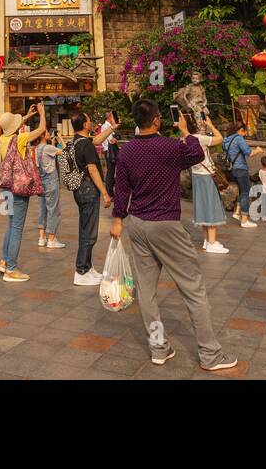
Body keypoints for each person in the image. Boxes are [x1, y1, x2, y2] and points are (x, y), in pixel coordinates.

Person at [109, 98, 237, 371]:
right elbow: (197, 154)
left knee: (146, 291)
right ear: (156, 120)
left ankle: (158, 347)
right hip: (165, 224)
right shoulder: (170, 147)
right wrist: (186, 131)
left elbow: (121, 189)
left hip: (138, 223)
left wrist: (118, 219)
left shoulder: (127, 151)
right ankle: (210, 354)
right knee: (193, 288)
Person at [0, 104, 45, 283]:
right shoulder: (21, 139)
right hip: (18, 190)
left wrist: (26, 116)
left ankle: (4, 260)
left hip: (5, 189)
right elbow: (42, 129)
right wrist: (41, 113)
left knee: (10, 225)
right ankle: (11, 269)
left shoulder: (2, 138)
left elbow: (12, 128)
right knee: (17, 228)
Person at [70, 109, 116, 286]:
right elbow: (93, 169)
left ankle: (87, 268)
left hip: (80, 189)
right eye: (88, 120)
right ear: (84, 124)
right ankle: (81, 270)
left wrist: (112, 127)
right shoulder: (86, 145)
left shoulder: (77, 141)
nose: (91, 122)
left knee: (85, 228)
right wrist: (105, 192)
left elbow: (97, 139)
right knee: (89, 232)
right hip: (89, 189)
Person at [186, 111, 229, 253]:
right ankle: (211, 242)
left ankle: (207, 240)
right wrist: (211, 125)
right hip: (205, 176)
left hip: (197, 175)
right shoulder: (199, 138)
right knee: (211, 206)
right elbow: (220, 139)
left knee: (203, 206)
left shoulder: (186, 138)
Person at [221, 121, 260, 228]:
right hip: (241, 169)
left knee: (242, 191)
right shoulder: (238, 138)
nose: (245, 134)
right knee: (245, 193)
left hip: (232, 170)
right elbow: (249, 153)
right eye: (244, 131)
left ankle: (237, 213)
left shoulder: (226, 140)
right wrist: (258, 150)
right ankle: (244, 220)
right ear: (240, 130)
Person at [35, 127, 65, 250]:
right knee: (53, 209)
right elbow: (64, 151)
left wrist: (52, 142)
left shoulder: (37, 148)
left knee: (42, 209)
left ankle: (42, 238)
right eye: (47, 132)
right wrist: (61, 138)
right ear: (43, 135)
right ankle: (52, 239)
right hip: (51, 181)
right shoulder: (48, 148)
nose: (49, 133)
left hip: (41, 181)